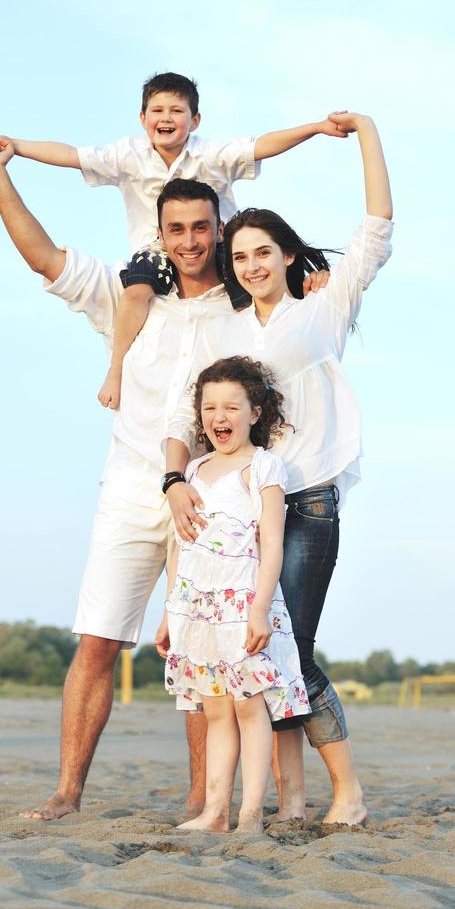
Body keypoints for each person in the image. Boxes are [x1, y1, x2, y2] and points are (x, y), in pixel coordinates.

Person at [0, 138, 329, 822]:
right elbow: (44, 257)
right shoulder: (129, 297)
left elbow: (299, 304)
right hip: (133, 487)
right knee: (98, 639)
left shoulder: (241, 308)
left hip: (216, 500)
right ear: (157, 235)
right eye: (176, 230)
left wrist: (313, 283)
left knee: (210, 647)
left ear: (217, 229)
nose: (190, 241)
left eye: (202, 228)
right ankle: (68, 791)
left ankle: (205, 801)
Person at [163, 112, 393, 826]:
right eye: (241, 257)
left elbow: (378, 225)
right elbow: (188, 417)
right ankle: (292, 801)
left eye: (264, 252)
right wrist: (174, 481)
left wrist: (366, 133)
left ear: (290, 256)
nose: (251, 265)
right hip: (237, 509)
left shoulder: (325, 308)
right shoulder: (229, 330)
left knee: (291, 650)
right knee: (260, 655)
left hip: (307, 502)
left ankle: (346, 793)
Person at [0, 71, 348, 409]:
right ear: (142, 119)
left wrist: (315, 128)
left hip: (220, 248)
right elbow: (71, 155)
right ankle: (115, 369)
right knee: (136, 292)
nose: (166, 118)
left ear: (195, 120)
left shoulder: (211, 154)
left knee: (253, 301)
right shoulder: (126, 155)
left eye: (177, 110)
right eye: (157, 110)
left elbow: (263, 145)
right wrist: (16, 146)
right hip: (153, 250)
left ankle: (266, 382)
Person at [156, 356, 310, 833]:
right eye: (209, 408)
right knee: (216, 709)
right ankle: (215, 812)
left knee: (250, 708)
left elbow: (271, 546)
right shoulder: (194, 471)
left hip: (242, 605)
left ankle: (249, 817)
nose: (219, 418)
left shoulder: (264, 468)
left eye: (231, 407)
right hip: (197, 611)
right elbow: (180, 546)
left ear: (255, 413)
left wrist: (259, 609)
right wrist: (169, 614)